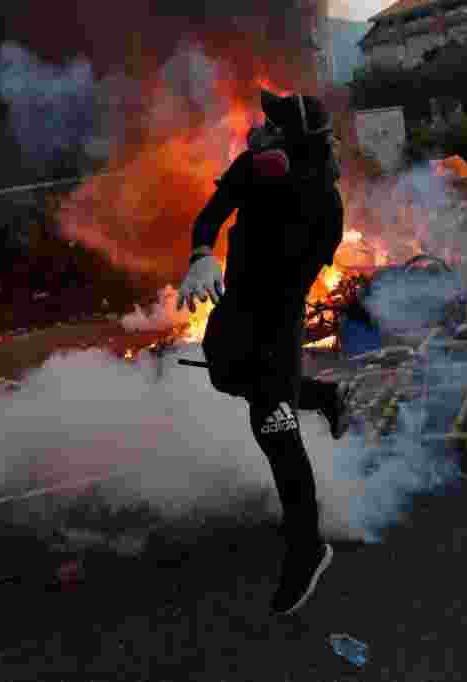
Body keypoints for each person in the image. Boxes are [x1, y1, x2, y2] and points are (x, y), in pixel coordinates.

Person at [175, 89, 349, 616]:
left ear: (291, 143)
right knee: (224, 375)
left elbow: (301, 274)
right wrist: (202, 255)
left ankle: (308, 547)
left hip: (276, 320)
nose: (259, 129)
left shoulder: (324, 204)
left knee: (272, 425)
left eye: (271, 125)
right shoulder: (252, 167)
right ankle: (321, 394)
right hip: (234, 308)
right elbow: (211, 214)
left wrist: (272, 345)